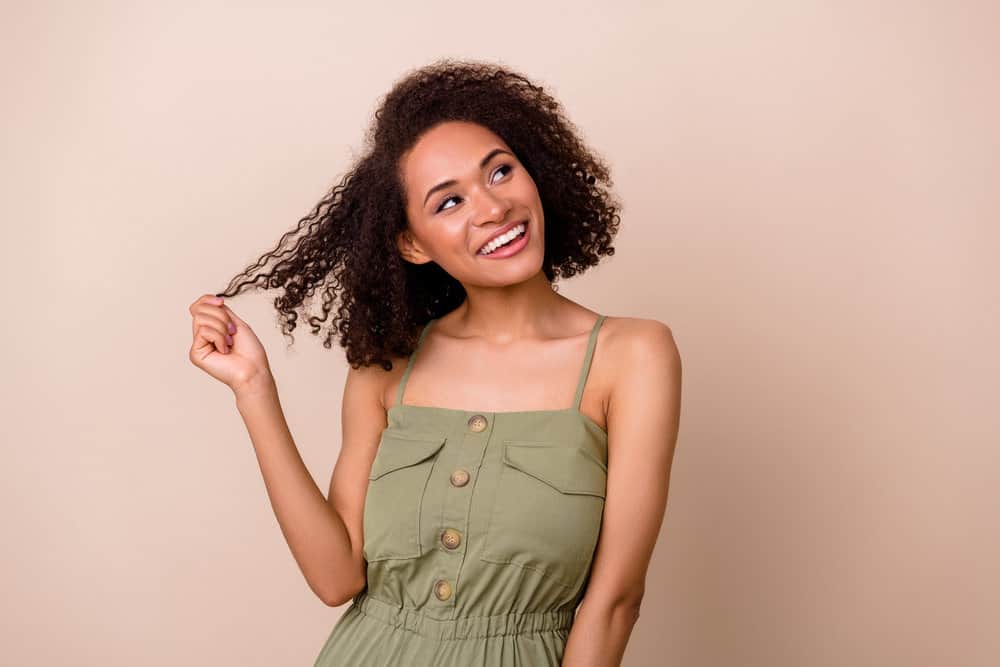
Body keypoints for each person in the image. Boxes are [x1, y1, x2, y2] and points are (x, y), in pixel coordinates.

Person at [187, 58, 681, 666]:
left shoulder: (632, 355)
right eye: (448, 203)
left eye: (500, 171)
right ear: (412, 244)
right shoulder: (386, 368)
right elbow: (336, 577)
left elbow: (615, 603)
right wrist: (254, 389)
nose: (493, 207)